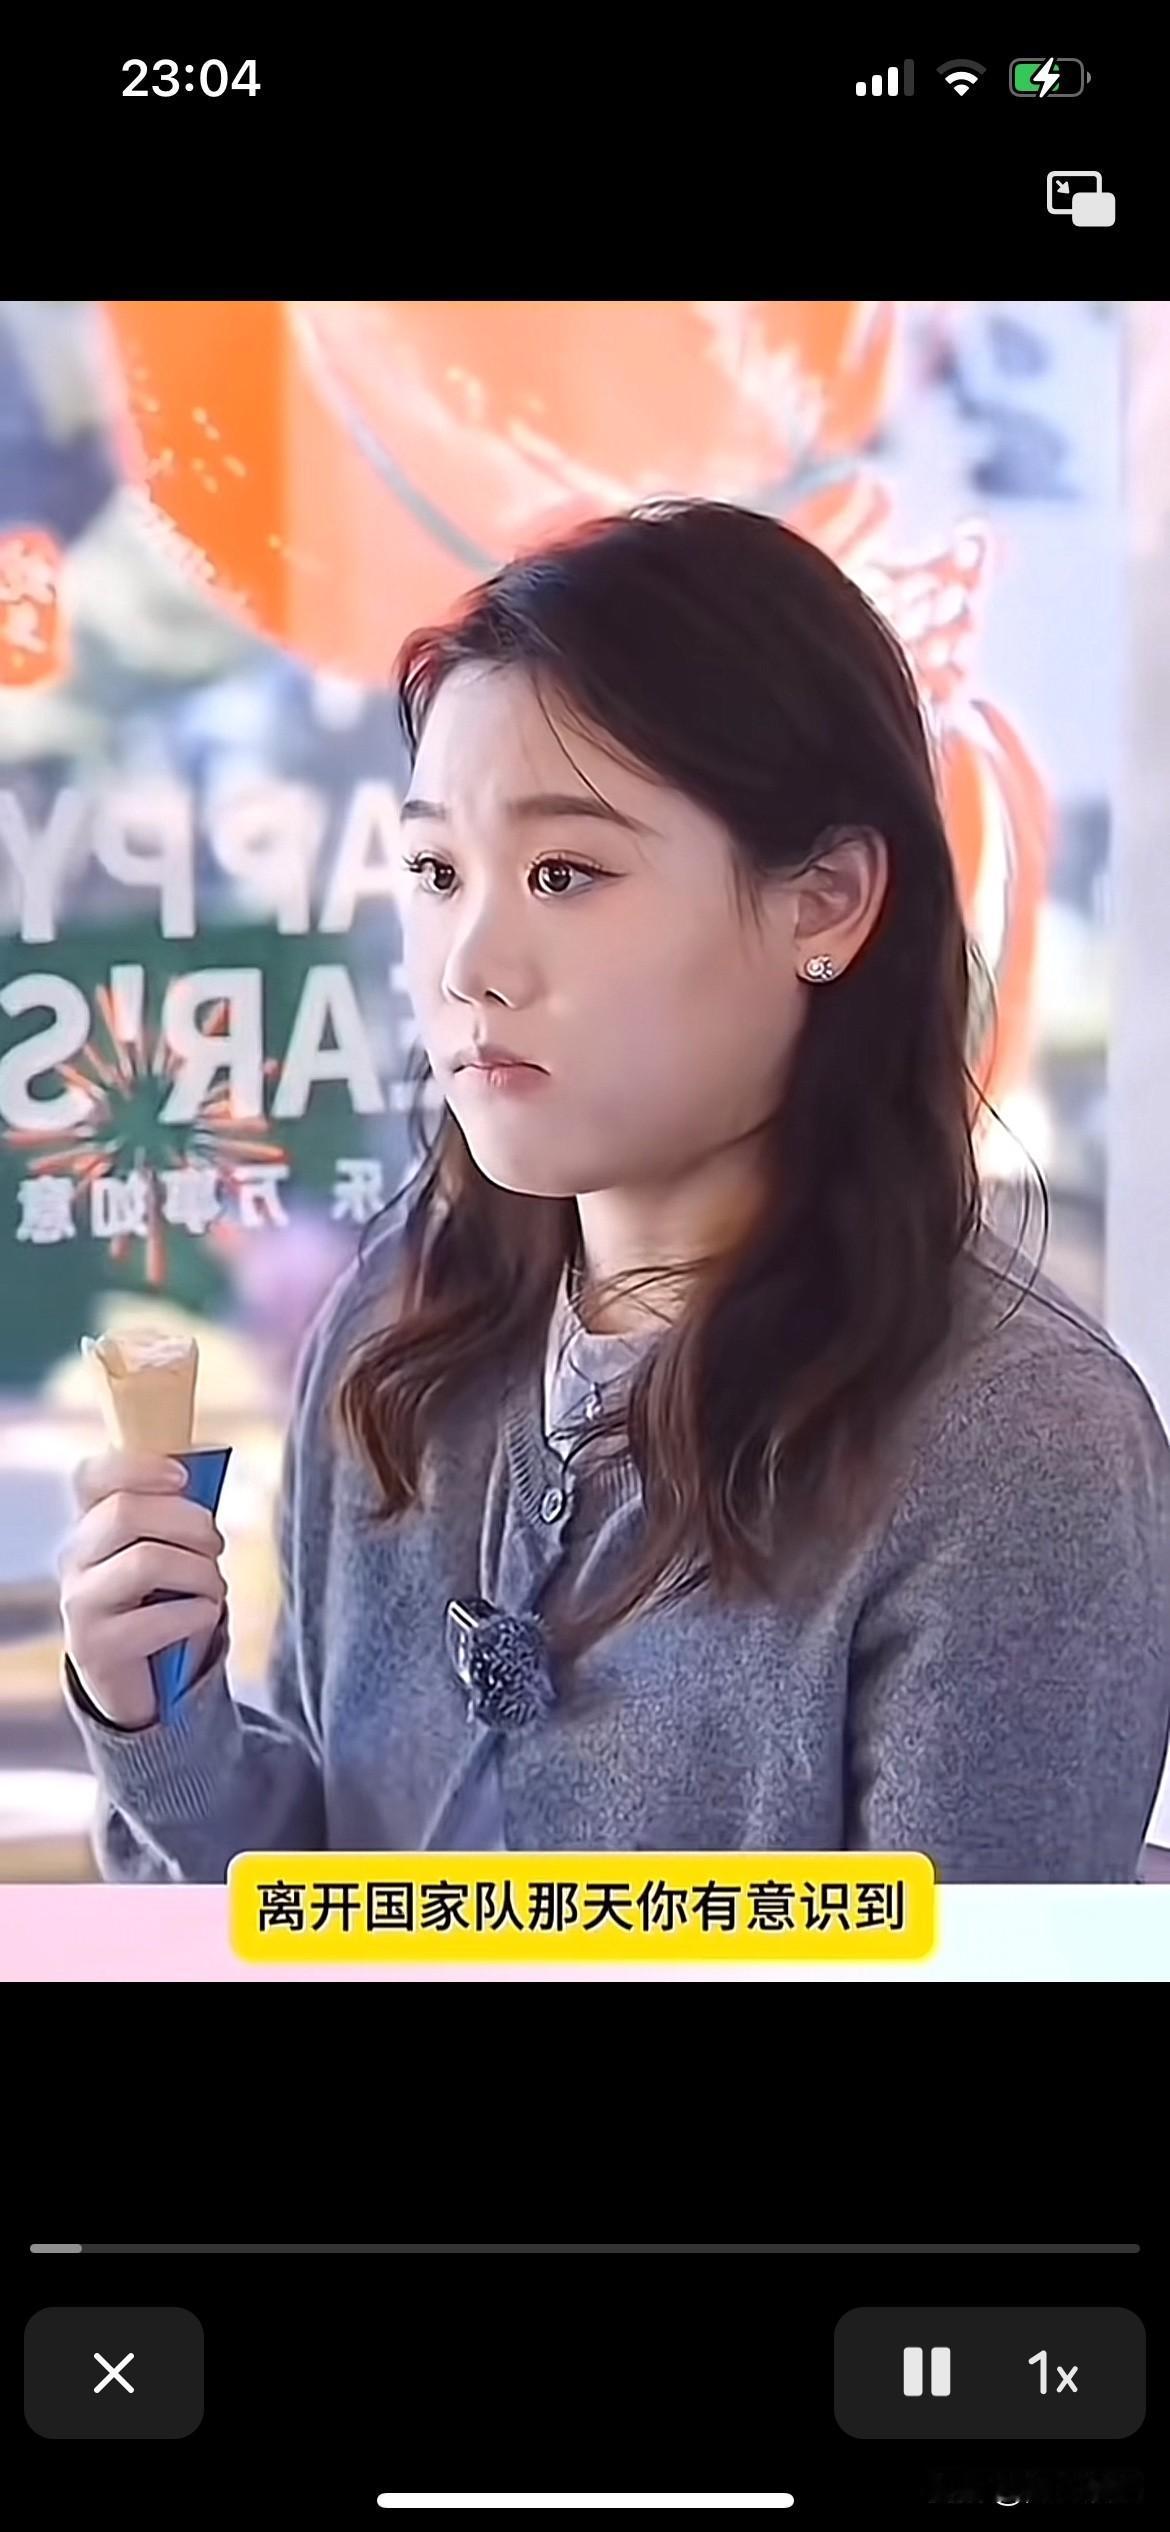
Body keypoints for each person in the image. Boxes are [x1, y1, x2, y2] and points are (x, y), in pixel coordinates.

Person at [58, 497, 1170, 1881]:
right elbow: (325, 1898)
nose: (469, 963)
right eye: (434, 870)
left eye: (564, 873)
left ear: (825, 900)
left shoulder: (1015, 1443)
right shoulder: (404, 1324)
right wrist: (158, 1717)